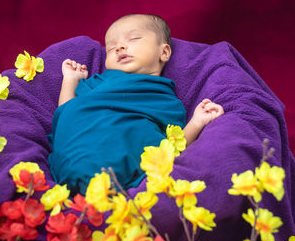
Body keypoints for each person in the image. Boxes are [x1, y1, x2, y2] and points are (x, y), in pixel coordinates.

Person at [48, 14, 224, 195]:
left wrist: (197, 122)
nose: (120, 47)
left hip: (118, 167)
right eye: (111, 48)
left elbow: (173, 145)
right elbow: (66, 112)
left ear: (164, 52)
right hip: (75, 156)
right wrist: (70, 80)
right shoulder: (99, 81)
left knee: (155, 150)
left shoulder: (163, 98)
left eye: (134, 39)